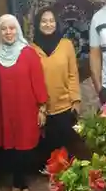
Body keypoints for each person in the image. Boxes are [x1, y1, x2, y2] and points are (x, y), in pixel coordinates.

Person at [0, 14, 48, 191]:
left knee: (25, 148)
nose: (8, 32)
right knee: (10, 148)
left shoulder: (28, 53)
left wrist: (42, 108)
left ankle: (22, 186)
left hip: (26, 109)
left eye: (12, 28)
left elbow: (38, 82)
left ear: (17, 30)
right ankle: (17, 186)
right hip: (4, 110)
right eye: (4, 29)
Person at [31, 8, 83, 161]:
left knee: (68, 151)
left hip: (66, 107)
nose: (48, 24)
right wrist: (39, 108)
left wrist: (76, 100)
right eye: (44, 21)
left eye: (51, 21)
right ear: (37, 24)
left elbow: (73, 73)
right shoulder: (31, 49)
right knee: (48, 153)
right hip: (43, 110)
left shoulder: (66, 45)